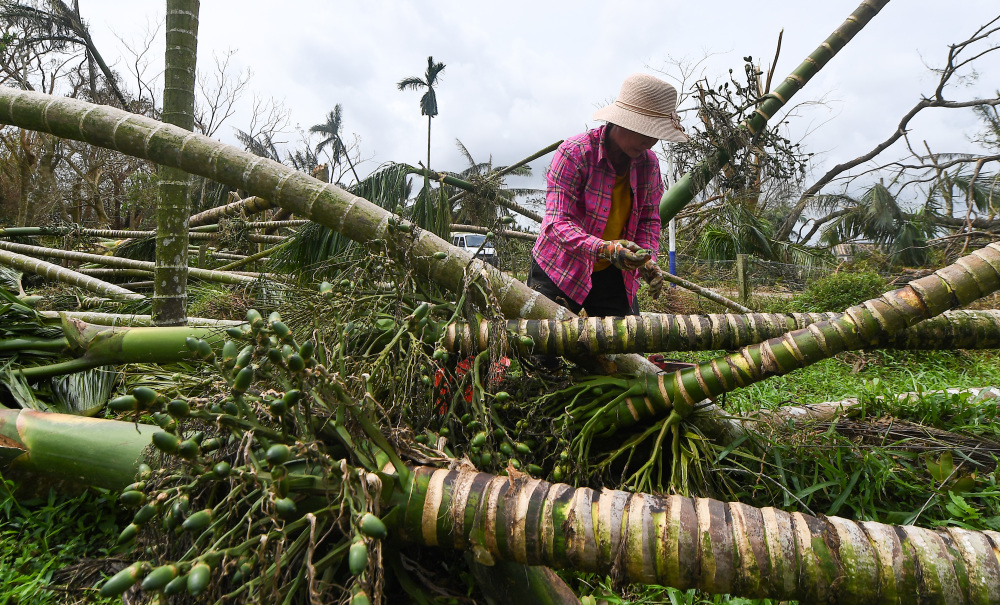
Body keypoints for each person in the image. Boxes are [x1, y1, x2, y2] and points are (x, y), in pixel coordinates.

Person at [528, 73, 688, 318]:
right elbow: (556, 224)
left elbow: (649, 220)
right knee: (543, 349)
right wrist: (605, 249)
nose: (651, 142)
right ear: (623, 122)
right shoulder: (575, 154)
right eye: (645, 131)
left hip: (613, 272)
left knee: (623, 350)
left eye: (656, 134)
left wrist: (646, 259)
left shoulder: (649, 165)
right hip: (560, 266)